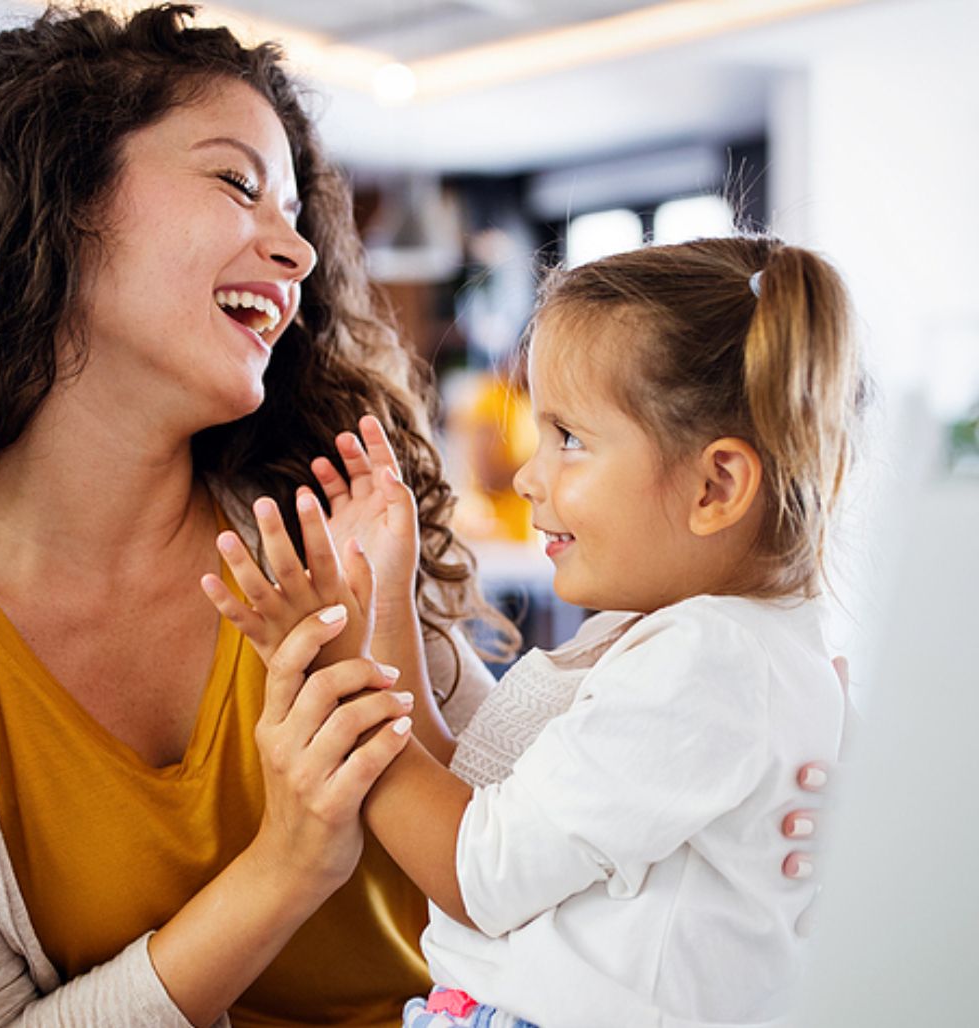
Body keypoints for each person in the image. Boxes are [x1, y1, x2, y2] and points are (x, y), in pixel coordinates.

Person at [0, 5, 831, 1026]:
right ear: (54, 202)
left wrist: (755, 799)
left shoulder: (323, 515)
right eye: (239, 183)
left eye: (294, 212)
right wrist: (288, 860)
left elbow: (516, 813)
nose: (302, 254)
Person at [205, 236, 862, 1028]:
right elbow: (472, 800)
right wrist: (383, 604)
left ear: (715, 485)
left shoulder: (707, 664)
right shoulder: (697, 647)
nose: (527, 474)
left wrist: (335, 674)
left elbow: (473, 871)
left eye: (570, 439)